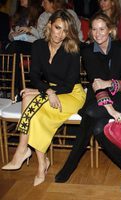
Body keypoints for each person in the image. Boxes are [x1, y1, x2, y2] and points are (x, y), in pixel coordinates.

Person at [2, 9, 86, 187]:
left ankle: (23, 151)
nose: (60, 34)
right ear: (49, 25)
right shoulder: (38, 46)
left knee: (29, 101)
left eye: (64, 30)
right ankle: (40, 163)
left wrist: (42, 92)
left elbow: (70, 85)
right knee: (30, 103)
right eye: (57, 28)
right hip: (52, 92)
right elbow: (34, 75)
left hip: (72, 95)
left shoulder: (72, 49)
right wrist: (46, 91)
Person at [55, 13, 121, 193]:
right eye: (94, 29)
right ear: (90, 32)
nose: (98, 33)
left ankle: (70, 165)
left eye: (102, 29)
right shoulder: (87, 52)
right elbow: (96, 84)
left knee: (89, 113)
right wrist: (110, 109)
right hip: (99, 98)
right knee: (98, 128)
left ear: (110, 30)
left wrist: (110, 85)